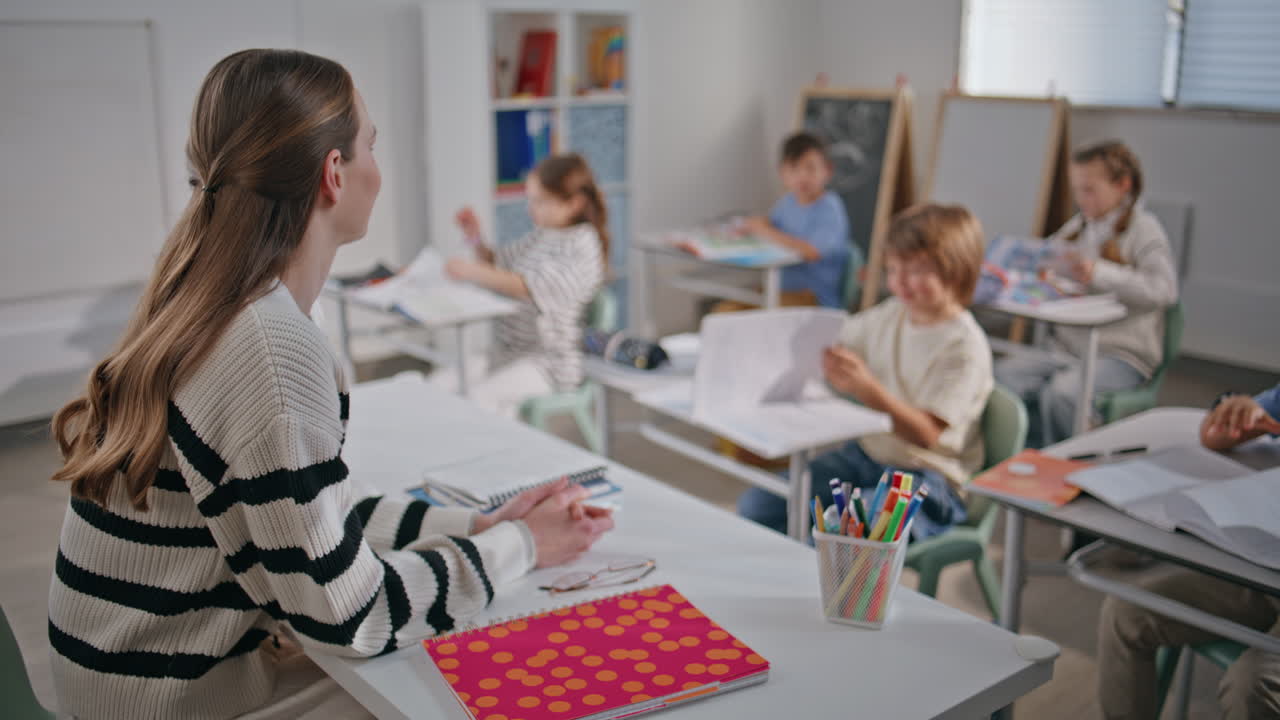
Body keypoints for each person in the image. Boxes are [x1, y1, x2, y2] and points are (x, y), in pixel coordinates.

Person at [46, 49, 613, 720]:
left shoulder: (220, 304)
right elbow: (353, 619)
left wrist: (480, 524)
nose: (378, 164)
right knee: (482, 674)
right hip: (168, 699)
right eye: (370, 143)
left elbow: (317, 522)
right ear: (334, 174)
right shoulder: (271, 347)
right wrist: (521, 546)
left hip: (126, 678)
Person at [737, 204, 991, 539]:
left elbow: (927, 435)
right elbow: (837, 338)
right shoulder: (892, 313)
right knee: (760, 505)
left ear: (956, 272)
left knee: (846, 540)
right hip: (867, 457)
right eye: (892, 269)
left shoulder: (964, 347)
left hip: (928, 477)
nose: (900, 282)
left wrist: (866, 388)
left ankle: (819, 581)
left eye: (915, 270)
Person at [1097, 385, 1280, 719]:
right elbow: (1217, 433)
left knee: (1251, 684)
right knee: (1125, 613)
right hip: (1262, 569)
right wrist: (1234, 414)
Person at [996, 140, 1178, 447]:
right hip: (1067, 349)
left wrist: (1099, 273)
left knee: (1064, 394)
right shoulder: (1081, 225)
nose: (1082, 199)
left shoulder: (1143, 229)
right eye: (1077, 190)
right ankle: (1024, 457)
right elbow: (1048, 256)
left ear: (1123, 186)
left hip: (1119, 354)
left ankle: (1063, 463)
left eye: (1090, 190)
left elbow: (1164, 290)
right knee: (1005, 377)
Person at [446, 153, 608, 418]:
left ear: (574, 204)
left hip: (550, 363)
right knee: (442, 384)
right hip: (509, 352)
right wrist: (474, 238)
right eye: (531, 200)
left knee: (478, 398)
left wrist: (472, 272)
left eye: (541, 201)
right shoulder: (543, 235)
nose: (531, 209)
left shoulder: (582, 244)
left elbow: (527, 286)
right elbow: (498, 263)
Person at [723, 131, 853, 309]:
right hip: (776, 290)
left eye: (810, 168)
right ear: (782, 172)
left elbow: (811, 251)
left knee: (751, 318)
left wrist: (763, 230)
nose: (802, 176)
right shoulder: (787, 202)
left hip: (811, 296)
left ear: (827, 170)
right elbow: (771, 224)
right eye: (794, 168)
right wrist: (752, 225)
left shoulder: (830, 208)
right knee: (723, 312)